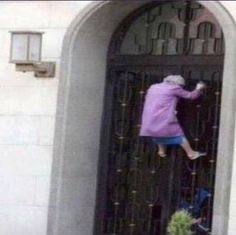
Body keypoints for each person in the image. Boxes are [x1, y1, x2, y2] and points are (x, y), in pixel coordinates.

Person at [139, 75, 206, 160]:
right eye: (181, 86)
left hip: (149, 116)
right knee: (178, 134)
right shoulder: (173, 88)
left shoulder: (153, 87)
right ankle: (191, 153)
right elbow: (190, 96)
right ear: (177, 83)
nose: (180, 87)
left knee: (157, 132)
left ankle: (161, 151)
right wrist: (198, 88)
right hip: (164, 116)